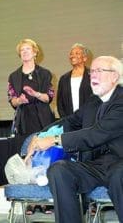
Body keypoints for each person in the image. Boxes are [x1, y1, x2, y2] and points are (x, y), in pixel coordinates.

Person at [26, 56, 123, 223]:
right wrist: (38, 136)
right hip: (94, 165)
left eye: (99, 71)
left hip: (120, 162)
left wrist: (54, 139)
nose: (93, 75)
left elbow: (95, 134)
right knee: (59, 170)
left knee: (119, 175)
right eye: (92, 71)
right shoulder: (93, 102)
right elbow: (69, 121)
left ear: (115, 76)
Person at [7, 38, 55, 214]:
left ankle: (45, 201)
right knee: (27, 157)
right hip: (24, 119)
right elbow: (11, 98)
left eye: (28, 49)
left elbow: (49, 97)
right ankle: (30, 201)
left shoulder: (45, 74)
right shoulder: (14, 76)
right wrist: (19, 100)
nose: (25, 52)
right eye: (22, 50)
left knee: (44, 158)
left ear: (35, 52)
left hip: (43, 119)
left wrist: (36, 93)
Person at [57, 43, 92, 117]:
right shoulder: (64, 79)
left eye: (77, 53)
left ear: (85, 58)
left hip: (89, 121)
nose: (73, 56)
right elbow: (60, 103)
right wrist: (65, 120)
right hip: (69, 121)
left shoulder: (93, 75)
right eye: (71, 54)